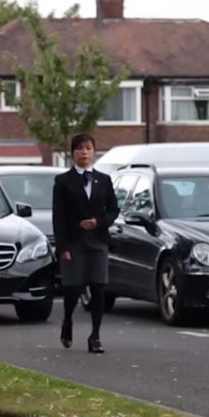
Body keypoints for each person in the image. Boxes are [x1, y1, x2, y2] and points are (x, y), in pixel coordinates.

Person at [52, 133, 120, 354]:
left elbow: (113, 210)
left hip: (98, 242)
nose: (84, 152)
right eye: (80, 149)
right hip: (74, 243)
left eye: (88, 148)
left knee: (99, 287)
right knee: (73, 288)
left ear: (94, 151)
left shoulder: (104, 180)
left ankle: (95, 336)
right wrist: (63, 248)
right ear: (73, 153)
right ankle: (68, 321)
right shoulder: (63, 181)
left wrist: (99, 222)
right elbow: (58, 216)